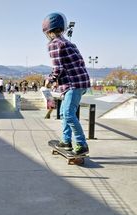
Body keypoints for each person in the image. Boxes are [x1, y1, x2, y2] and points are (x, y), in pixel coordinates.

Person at [42, 12, 90, 155]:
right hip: (79, 83)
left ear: (48, 31)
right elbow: (75, 64)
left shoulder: (54, 44)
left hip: (73, 85)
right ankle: (66, 141)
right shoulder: (68, 42)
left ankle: (82, 144)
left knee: (68, 114)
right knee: (64, 113)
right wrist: (59, 81)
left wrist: (49, 80)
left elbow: (58, 68)